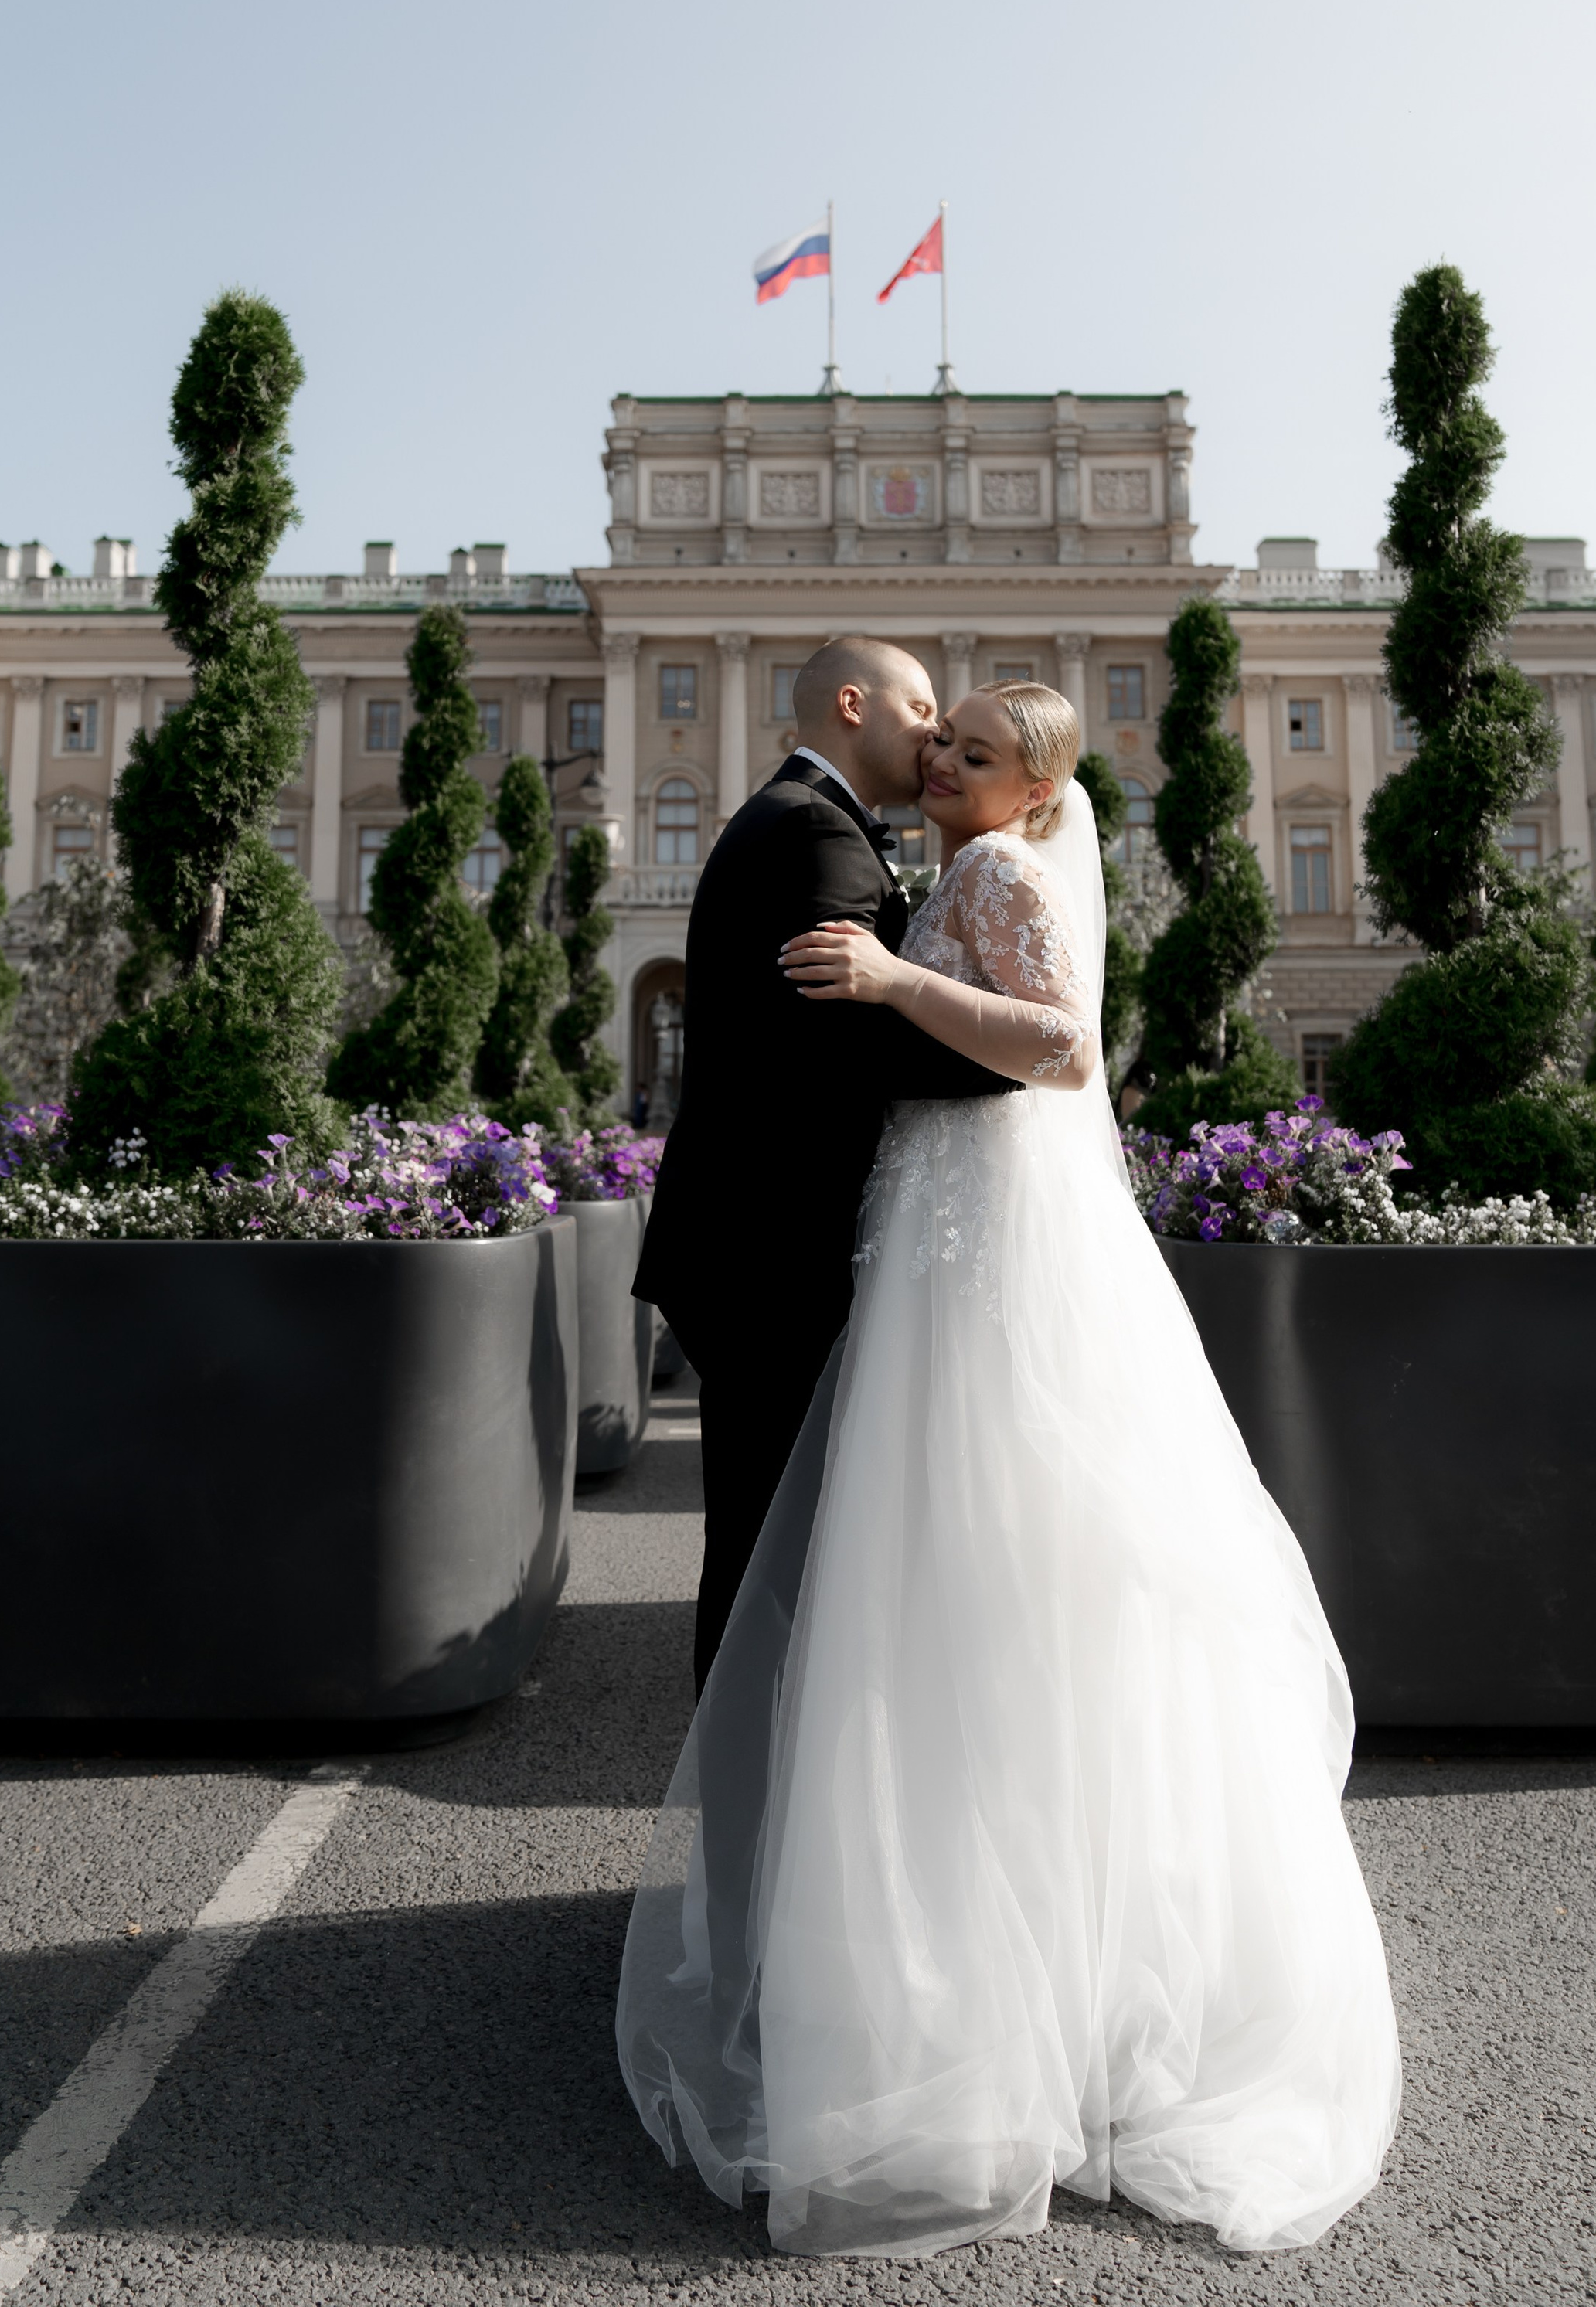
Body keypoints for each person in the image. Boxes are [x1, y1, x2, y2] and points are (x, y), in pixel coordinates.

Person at [618, 682, 1402, 2260]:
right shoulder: (926, 857)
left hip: (973, 1246)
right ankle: (963, 1948)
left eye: (971, 753)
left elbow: (1057, 1050)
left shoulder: (988, 873)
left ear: (1032, 789)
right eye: (940, 739)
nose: (941, 764)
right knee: (954, 1585)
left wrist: (896, 979)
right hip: (934, 1235)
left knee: (960, 1575)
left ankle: (957, 1969)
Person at [631, 636, 1018, 1691]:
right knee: (776, 1556)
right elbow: (843, 1038)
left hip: (756, 1247)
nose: (937, 733)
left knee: (776, 1547)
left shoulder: (806, 822)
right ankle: (756, 1827)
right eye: (922, 707)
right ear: (854, 705)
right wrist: (1020, 1053)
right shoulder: (814, 835)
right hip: (777, 1258)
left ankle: (759, 1822)